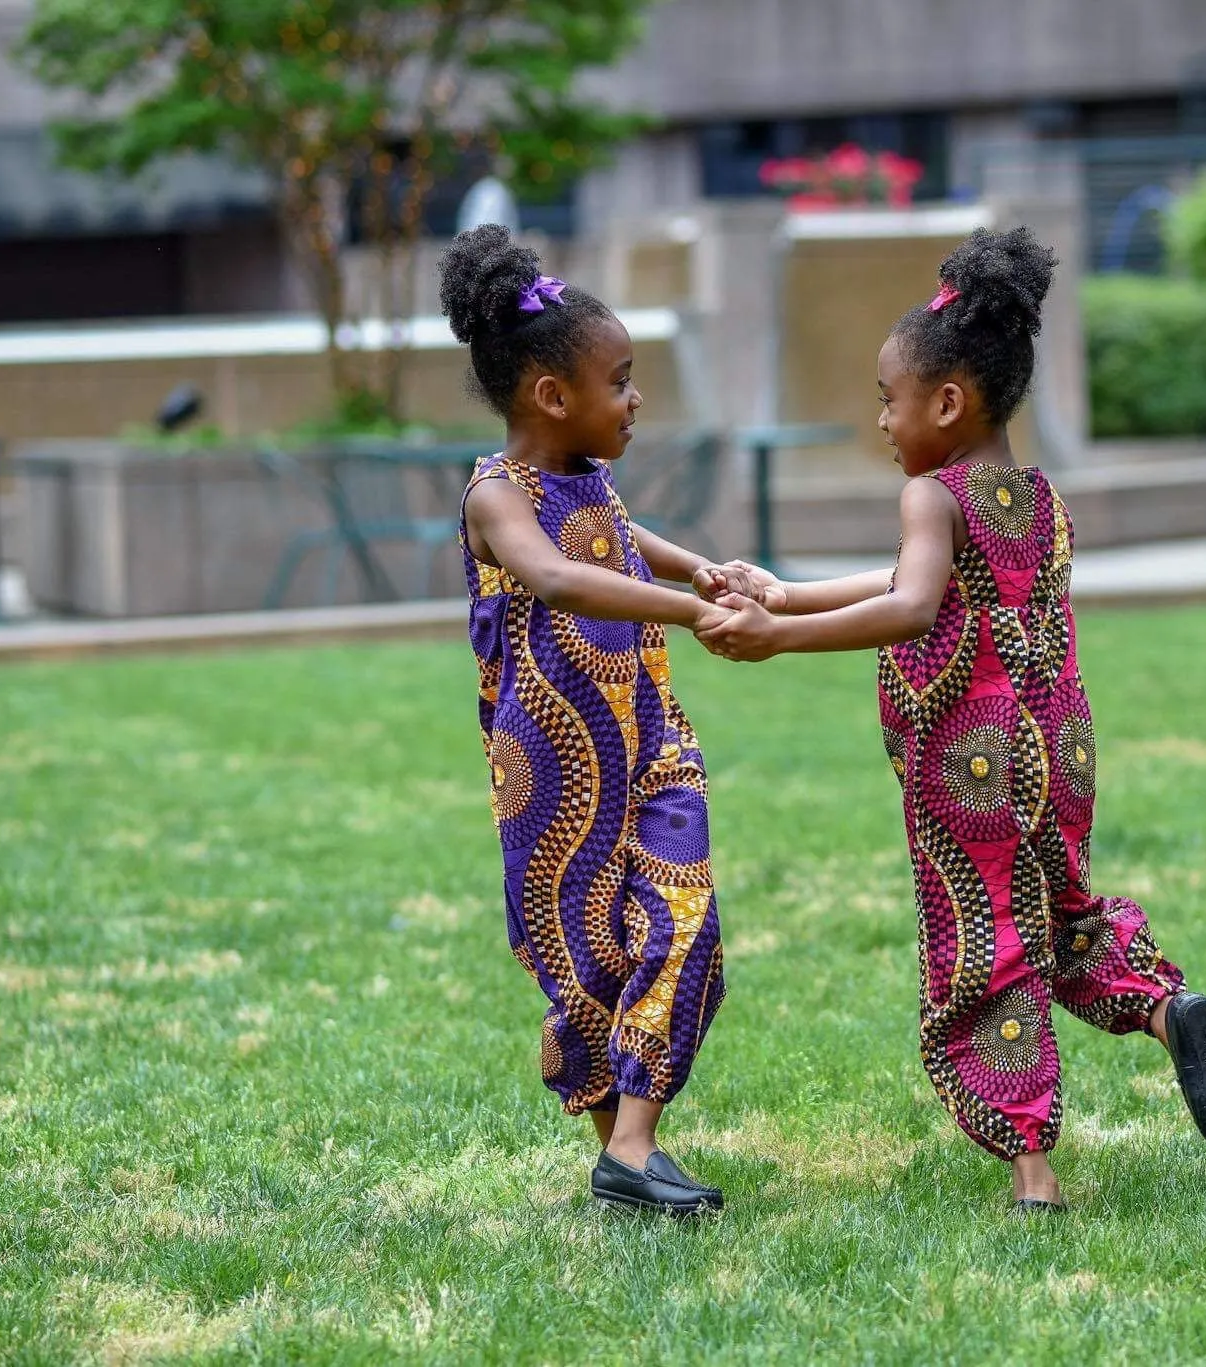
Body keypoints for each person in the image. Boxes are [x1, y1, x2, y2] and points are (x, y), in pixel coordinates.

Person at [697, 227, 1206, 1211]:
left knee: (985, 935)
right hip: (1059, 747)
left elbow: (914, 606)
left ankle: (1031, 1169)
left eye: (886, 400)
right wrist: (785, 594)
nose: (880, 421)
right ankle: (1165, 1008)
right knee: (1059, 913)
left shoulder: (928, 493)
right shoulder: (1035, 496)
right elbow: (935, 583)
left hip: (972, 761)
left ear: (945, 403)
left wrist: (778, 640)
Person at [442, 225, 749, 1217]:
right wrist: (687, 608)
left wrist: (693, 566)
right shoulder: (496, 493)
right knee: (583, 952)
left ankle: (633, 1142)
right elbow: (558, 574)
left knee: (683, 911)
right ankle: (625, 1159)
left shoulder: (589, 474)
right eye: (619, 380)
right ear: (550, 396)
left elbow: (616, 535)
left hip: (650, 735)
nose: (634, 398)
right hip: (552, 763)